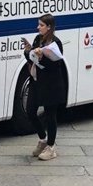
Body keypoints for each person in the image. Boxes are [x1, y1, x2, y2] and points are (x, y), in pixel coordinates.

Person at [20, 14, 68, 161]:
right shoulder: (38, 39)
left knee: (50, 114)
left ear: (49, 27)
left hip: (51, 84)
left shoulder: (56, 43)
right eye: (38, 24)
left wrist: (42, 56)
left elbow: (55, 63)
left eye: (41, 25)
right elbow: (31, 58)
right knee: (30, 111)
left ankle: (51, 147)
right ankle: (42, 139)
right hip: (36, 81)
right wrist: (28, 51)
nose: (38, 27)